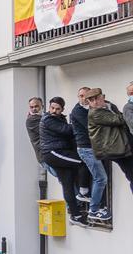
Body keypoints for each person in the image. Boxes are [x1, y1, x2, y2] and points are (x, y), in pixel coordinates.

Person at [40, 97, 88, 227]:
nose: (54, 111)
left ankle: (75, 215)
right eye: (52, 108)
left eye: (58, 109)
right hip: (54, 153)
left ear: (62, 109)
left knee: (67, 183)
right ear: (49, 107)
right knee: (83, 161)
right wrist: (80, 123)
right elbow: (66, 130)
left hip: (60, 153)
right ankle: (84, 191)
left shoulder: (60, 118)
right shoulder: (48, 119)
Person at [70, 87, 108, 220]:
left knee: (99, 177)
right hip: (86, 149)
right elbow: (92, 126)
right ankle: (94, 210)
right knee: (101, 178)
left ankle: (97, 204)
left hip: (95, 148)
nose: (83, 98)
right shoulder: (78, 111)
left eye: (86, 96)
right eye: (80, 96)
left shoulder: (93, 108)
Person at [86, 88, 133, 196]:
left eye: (96, 98)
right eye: (91, 100)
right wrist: (128, 111)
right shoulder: (95, 113)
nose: (94, 102)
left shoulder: (109, 107)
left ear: (103, 97)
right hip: (115, 150)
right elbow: (120, 119)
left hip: (122, 147)